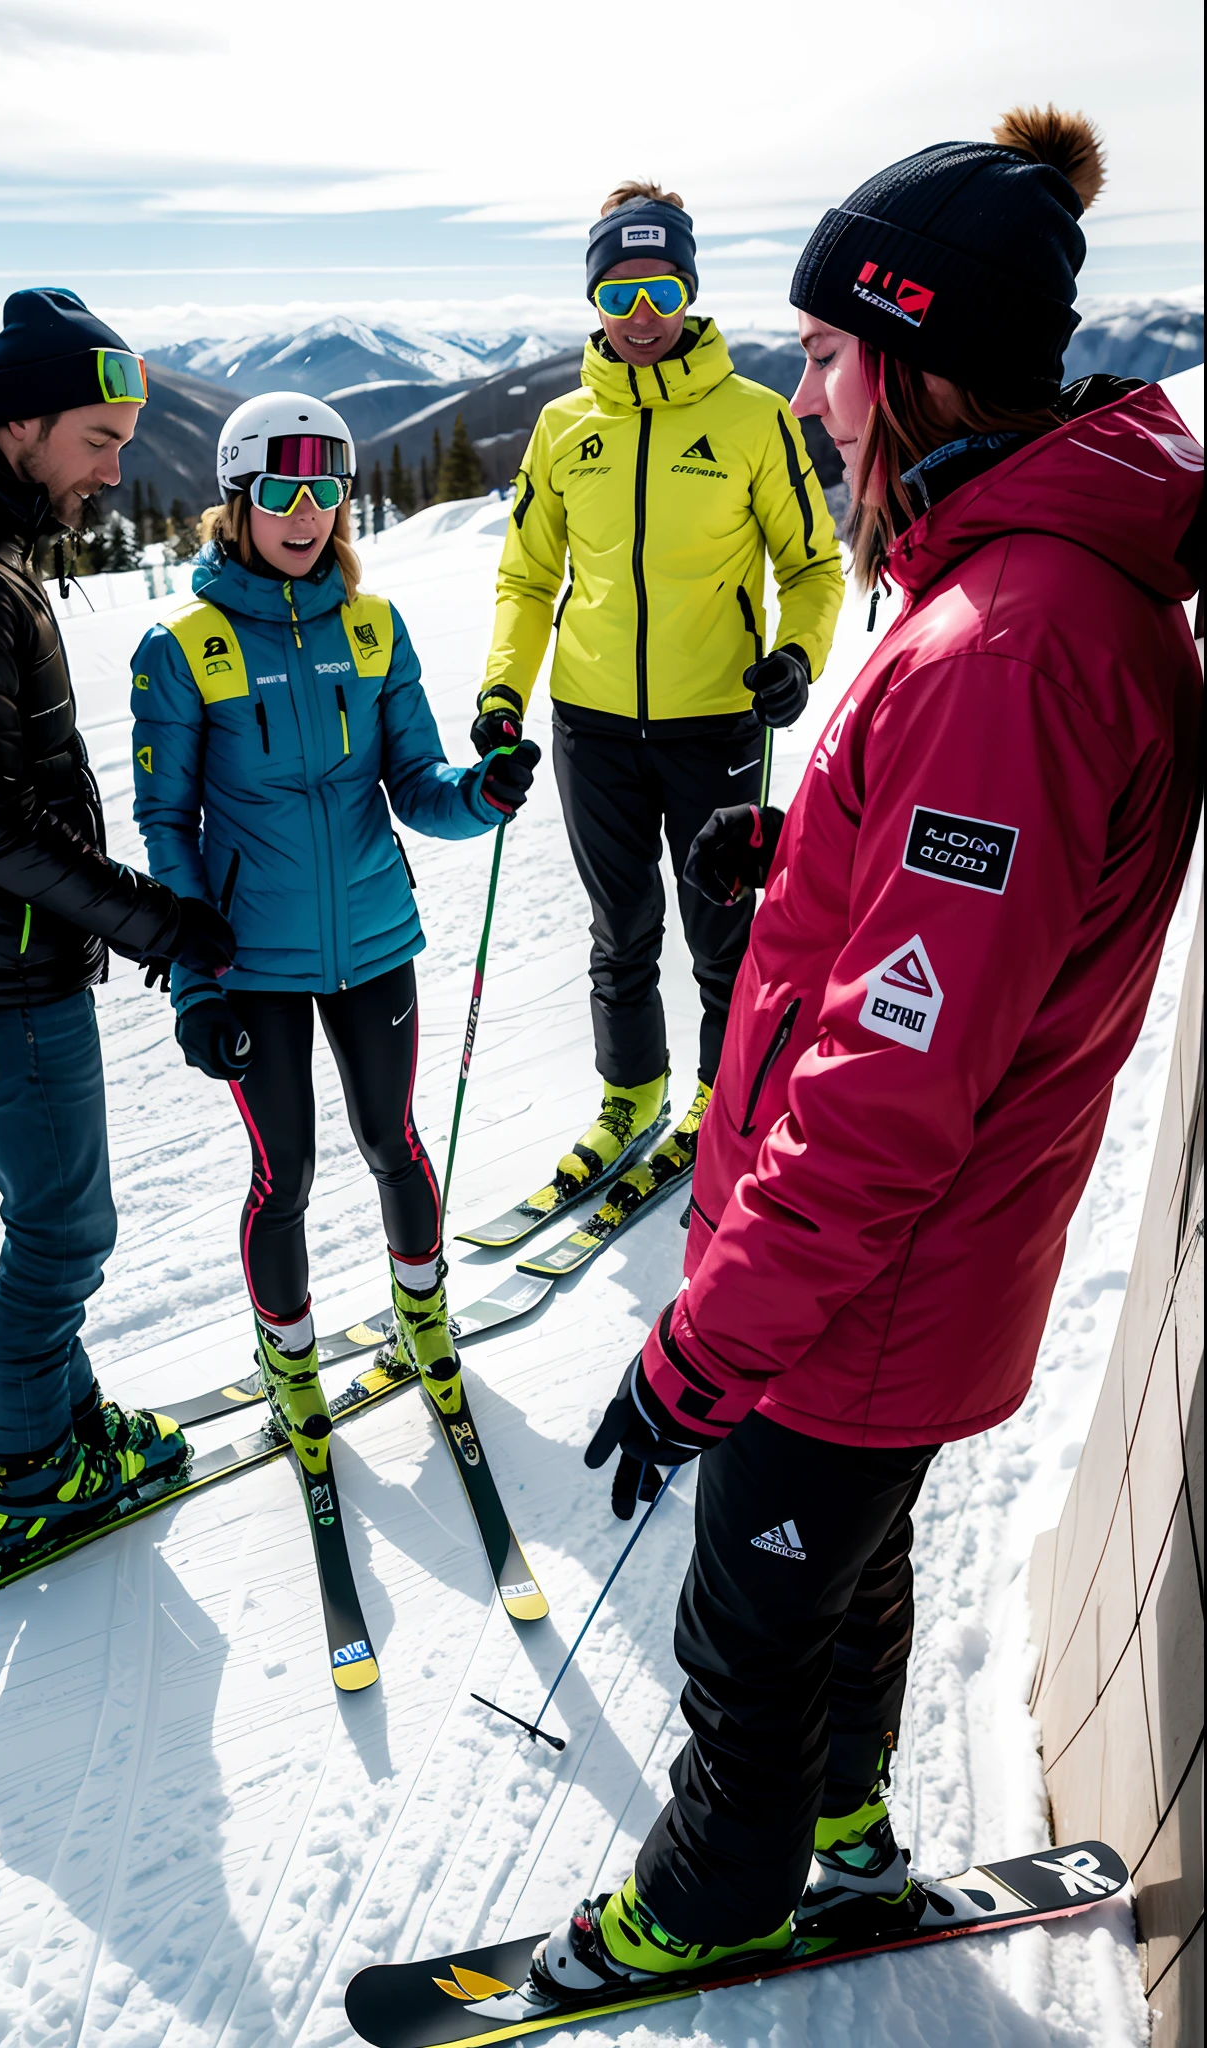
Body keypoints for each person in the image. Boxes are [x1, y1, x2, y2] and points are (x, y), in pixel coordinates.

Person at [534, 107, 1203, 1997]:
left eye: (827, 355)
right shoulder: (1018, 588)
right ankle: (841, 1816)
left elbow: (889, 1096)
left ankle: (725, 1876)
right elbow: (952, 915)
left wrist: (701, 1344)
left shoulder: (1006, 645)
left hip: (865, 1278)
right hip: (905, 1277)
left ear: (912, 355)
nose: (807, 393)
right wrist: (809, 849)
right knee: (851, 1553)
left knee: (751, 1597)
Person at [0, 288, 237, 1565]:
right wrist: (162, 923)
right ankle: (26, 1462)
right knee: (64, 1228)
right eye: (98, 439)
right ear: (16, 423)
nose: (117, 469)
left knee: (55, 1209)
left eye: (125, 438)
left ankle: (57, 1420)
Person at [130, 392, 536, 1447]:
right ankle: (290, 1356)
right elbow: (166, 825)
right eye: (281, 490)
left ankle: (421, 1315)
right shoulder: (182, 645)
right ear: (237, 501)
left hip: (371, 940)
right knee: (288, 1171)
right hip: (251, 957)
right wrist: (193, 979)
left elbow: (417, 781)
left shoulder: (373, 625)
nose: (307, 512)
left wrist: (479, 795)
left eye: (327, 489)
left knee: (392, 1139)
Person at [471, 180, 843, 1227]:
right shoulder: (562, 427)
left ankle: (725, 1103)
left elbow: (812, 564)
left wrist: (795, 655)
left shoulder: (755, 418)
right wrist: (504, 690)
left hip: (713, 719)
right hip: (591, 724)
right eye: (621, 289)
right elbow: (527, 578)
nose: (643, 311)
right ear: (594, 296)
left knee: (721, 932)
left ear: (691, 288)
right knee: (619, 924)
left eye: (663, 284)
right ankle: (627, 1094)